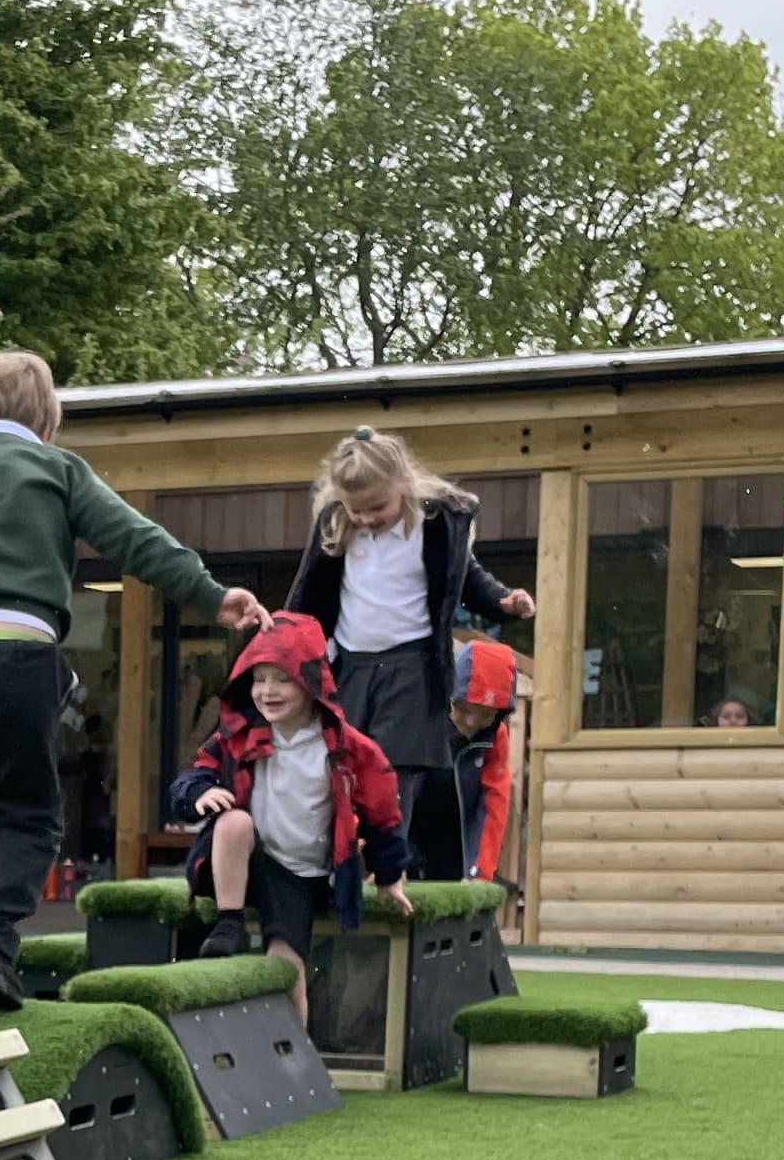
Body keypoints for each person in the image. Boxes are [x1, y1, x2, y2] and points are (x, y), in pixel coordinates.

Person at [0, 349, 265, 1004]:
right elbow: (134, 538)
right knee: (30, 813)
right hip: (18, 649)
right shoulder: (57, 468)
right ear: (46, 425)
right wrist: (212, 596)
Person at [280, 426, 533, 887]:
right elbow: (308, 592)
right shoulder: (338, 525)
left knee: (396, 768)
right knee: (340, 764)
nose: (368, 517)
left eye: (378, 507)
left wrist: (501, 602)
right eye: (357, 509)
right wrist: (281, 642)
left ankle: (388, 869)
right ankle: (332, 864)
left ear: (404, 484)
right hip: (351, 663)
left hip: (413, 663)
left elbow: (468, 579)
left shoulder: (436, 525)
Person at [170, 614, 412, 1020]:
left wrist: (390, 878)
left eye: (280, 679)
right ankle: (228, 921)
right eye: (259, 678)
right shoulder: (237, 737)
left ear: (310, 681)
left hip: (306, 874)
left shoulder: (349, 747)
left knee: (286, 968)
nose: (267, 691)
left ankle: (294, 1064)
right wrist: (200, 792)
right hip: (251, 862)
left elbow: (382, 814)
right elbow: (189, 780)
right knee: (232, 821)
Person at [448, 635, 523, 883]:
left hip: (458, 845)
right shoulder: (422, 724)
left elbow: (493, 805)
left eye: (485, 714)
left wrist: (480, 871)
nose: (471, 722)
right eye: (465, 708)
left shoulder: (495, 737)